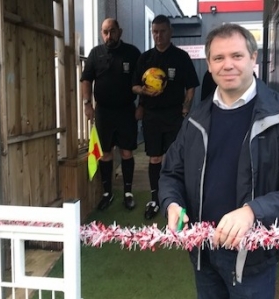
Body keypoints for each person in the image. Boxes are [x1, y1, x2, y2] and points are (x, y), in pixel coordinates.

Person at [158, 23, 279, 299]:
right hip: (204, 256)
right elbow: (170, 173)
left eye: (236, 56)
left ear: (253, 58)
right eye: (219, 58)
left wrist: (253, 212)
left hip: (253, 261)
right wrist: (171, 203)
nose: (228, 65)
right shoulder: (195, 120)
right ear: (209, 65)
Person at [132, 14, 199, 220]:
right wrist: (144, 92)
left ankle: (176, 200)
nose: (158, 36)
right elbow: (134, 86)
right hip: (152, 115)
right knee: (154, 158)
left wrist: (186, 108)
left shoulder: (180, 57)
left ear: (170, 32)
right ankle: (154, 198)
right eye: (155, 32)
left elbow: (191, 86)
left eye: (162, 31)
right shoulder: (145, 58)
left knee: (174, 158)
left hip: (173, 115)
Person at [81, 18, 141, 211]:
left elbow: (143, 81)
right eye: (105, 32)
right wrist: (87, 104)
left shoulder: (132, 53)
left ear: (120, 31)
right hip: (103, 111)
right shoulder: (95, 54)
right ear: (101, 33)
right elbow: (86, 80)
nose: (108, 36)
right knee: (105, 153)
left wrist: (142, 106)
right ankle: (107, 192)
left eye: (112, 31)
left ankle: (128, 193)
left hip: (126, 110)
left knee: (126, 152)